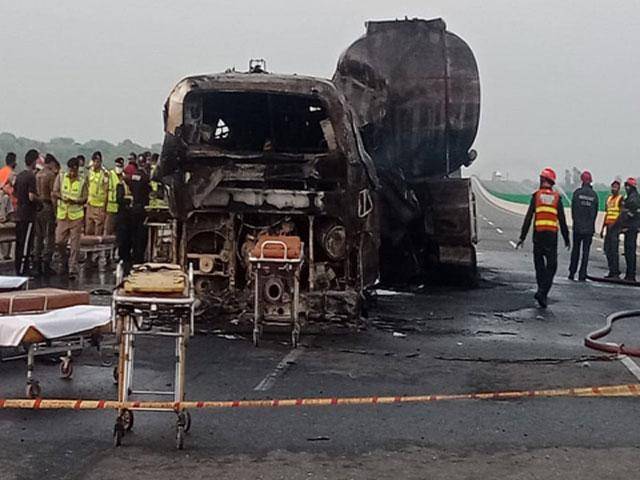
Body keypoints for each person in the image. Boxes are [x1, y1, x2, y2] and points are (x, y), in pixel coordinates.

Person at [516, 168, 570, 308]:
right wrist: (567, 238)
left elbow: (528, 218)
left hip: (538, 236)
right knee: (552, 266)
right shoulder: (557, 198)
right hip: (551, 237)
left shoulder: (536, 196)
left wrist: (522, 237)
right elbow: (562, 220)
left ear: (543, 181)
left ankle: (541, 292)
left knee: (539, 267)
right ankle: (543, 293)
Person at [53, 157, 88, 279]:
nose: (73, 173)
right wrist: (62, 198)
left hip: (76, 215)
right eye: (71, 170)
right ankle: (64, 259)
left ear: (77, 169)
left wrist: (77, 201)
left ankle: (72, 268)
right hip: (63, 215)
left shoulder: (83, 181)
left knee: (75, 244)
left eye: (75, 170)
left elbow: (85, 197)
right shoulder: (61, 177)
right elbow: (55, 192)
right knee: (59, 241)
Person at [568, 170, 598, 281]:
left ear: (582, 180)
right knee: (586, 252)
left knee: (575, 250)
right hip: (589, 229)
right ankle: (582, 273)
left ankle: (572, 272)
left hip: (578, 227)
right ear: (590, 181)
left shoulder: (577, 193)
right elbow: (594, 213)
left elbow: (573, 210)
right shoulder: (594, 195)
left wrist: (576, 222)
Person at [13, 149, 40, 275]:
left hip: (19, 214)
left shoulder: (19, 176)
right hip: (28, 215)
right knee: (26, 243)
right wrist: (39, 203)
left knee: (19, 242)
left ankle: (18, 267)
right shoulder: (31, 176)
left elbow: (15, 194)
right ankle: (24, 270)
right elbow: (31, 196)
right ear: (34, 161)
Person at [33, 153, 59, 276]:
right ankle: (46, 264)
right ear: (52, 163)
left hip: (37, 207)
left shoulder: (37, 175)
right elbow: (53, 196)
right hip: (47, 206)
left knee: (38, 236)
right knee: (49, 236)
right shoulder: (50, 176)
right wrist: (56, 211)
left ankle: (36, 262)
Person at [600, 180, 623, 278]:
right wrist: (602, 228)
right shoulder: (608, 199)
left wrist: (618, 225)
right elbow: (607, 213)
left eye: (616, 187)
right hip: (608, 227)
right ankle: (611, 269)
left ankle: (615, 271)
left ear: (619, 189)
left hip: (615, 228)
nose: (614, 189)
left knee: (614, 250)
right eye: (613, 187)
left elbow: (622, 214)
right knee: (607, 249)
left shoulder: (620, 199)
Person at [620, 177, 640, 282]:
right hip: (632, 227)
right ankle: (629, 274)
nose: (626, 188)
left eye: (627, 186)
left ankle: (630, 275)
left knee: (630, 251)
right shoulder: (633, 196)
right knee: (629, 251)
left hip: (631, 228)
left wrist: (625, 223)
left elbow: (632, 213)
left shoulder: (633, 198)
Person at [85, 151, 109, 236]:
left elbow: (106, 190)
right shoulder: (90, 172)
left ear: (101, 162)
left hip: (100, 206)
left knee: (98, 231)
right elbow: (87, 184)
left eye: (98, 161)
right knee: (88, 230)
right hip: (90, 204)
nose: (96, 163)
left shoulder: (105, 174)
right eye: (94, 161)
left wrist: (104, 208)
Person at [0, 152, 17, 260]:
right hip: (9, 204)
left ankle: (4, 254)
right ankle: (6, 255)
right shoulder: (11, 174)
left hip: (1, 203)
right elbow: (15, 188)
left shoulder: (1, 171)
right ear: (13, 161)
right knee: (9, 228)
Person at [104, 157, 125, 236]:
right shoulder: (110, 174)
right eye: (118, 166)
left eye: (121, 166)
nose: (119, 168)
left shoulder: (124, 176)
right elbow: (105, 189)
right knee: (109, 228)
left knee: (118, 229)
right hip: (110, 205)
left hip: (120, 206)